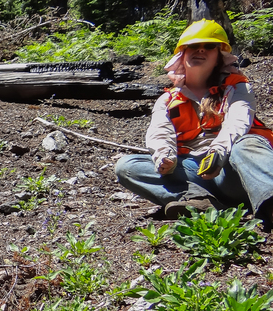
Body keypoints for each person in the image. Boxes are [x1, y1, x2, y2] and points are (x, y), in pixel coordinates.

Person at [115, 19, 273, 223]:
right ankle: (201, 202)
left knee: (248, 144)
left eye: (208, 46)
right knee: (127, 166)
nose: (200, 51)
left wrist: (219, 151)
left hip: (235, 172)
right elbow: (160, 132)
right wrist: (165, 157)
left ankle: (269, 202)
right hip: (195, 174)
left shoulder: (238, 87)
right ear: (183, 54)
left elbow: (238, 121)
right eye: (193, 47)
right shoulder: (167, 99)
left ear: (219, 57)